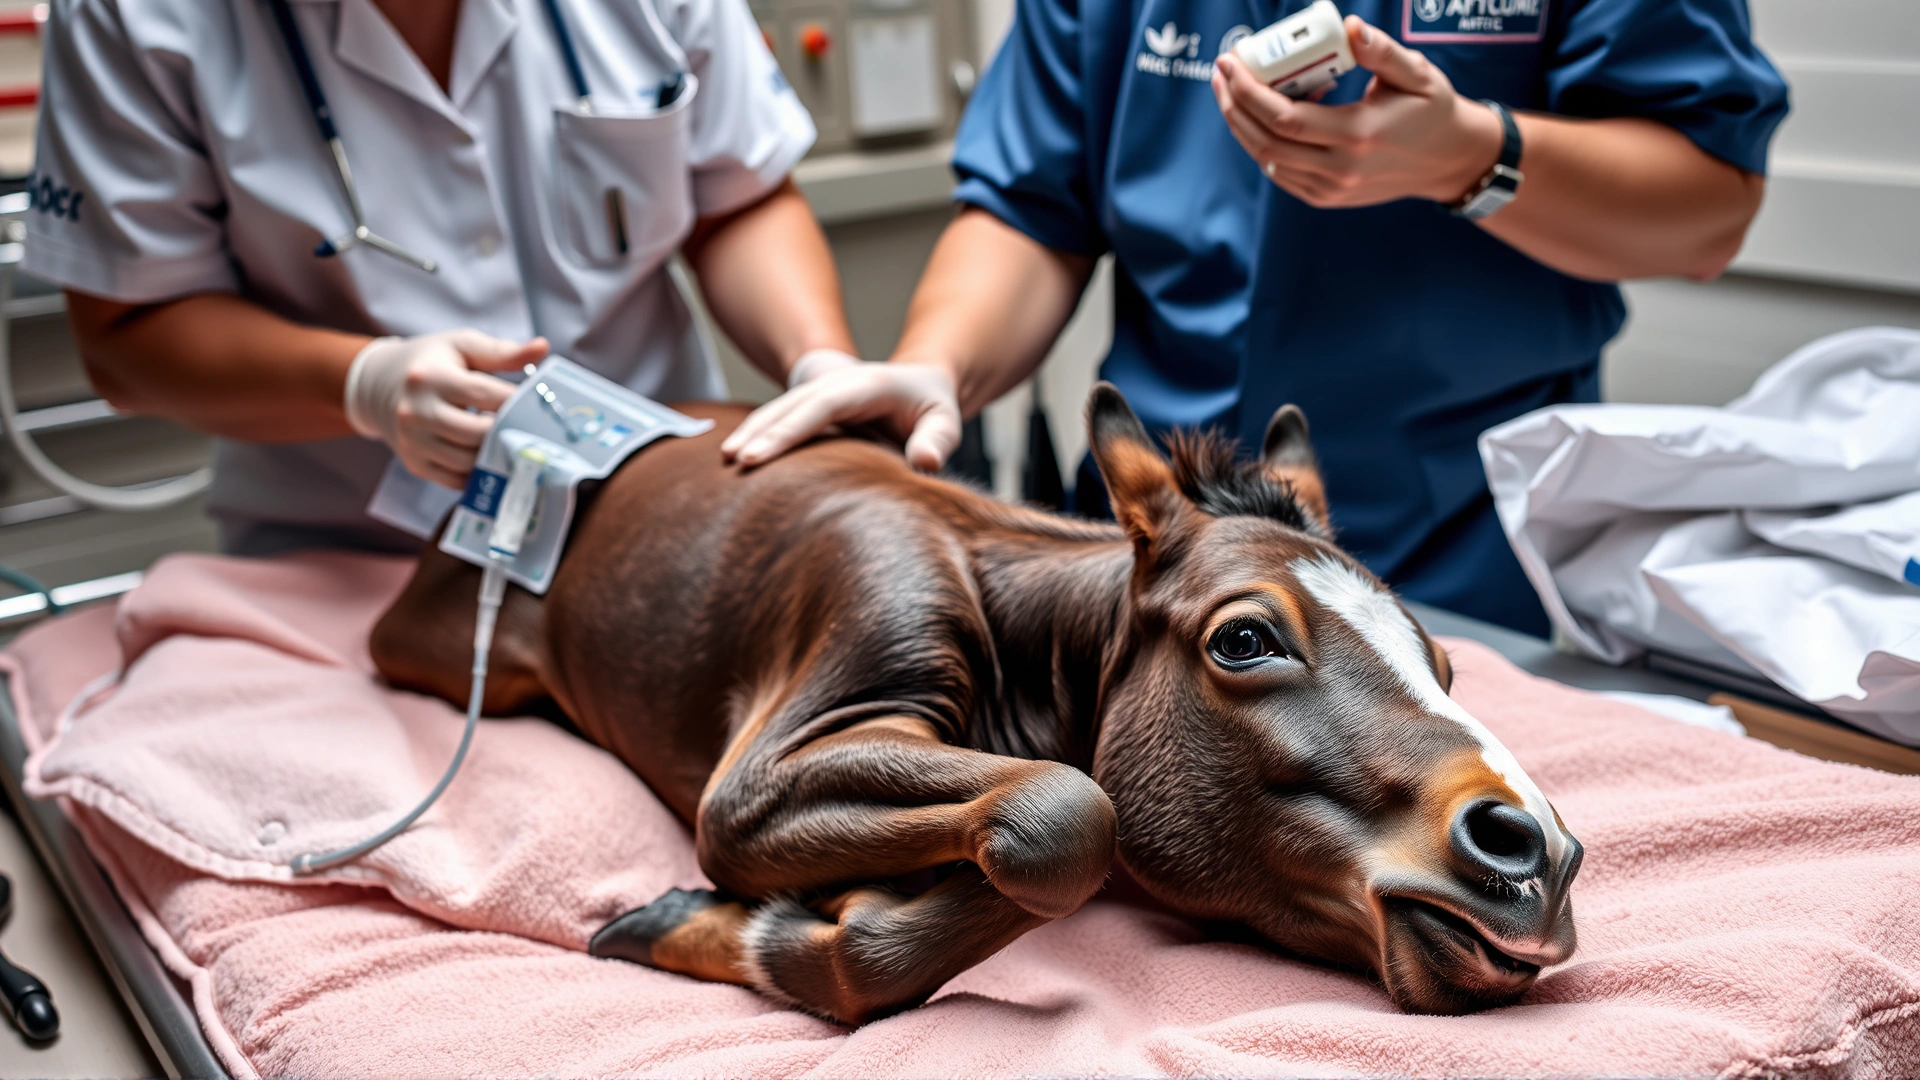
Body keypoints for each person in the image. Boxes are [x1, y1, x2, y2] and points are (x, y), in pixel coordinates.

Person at [721, 0, 1789, 635]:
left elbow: (1706, 211)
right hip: (1162, 579)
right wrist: (937, 368)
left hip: (1477, 566)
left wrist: (1474, 156)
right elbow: (1032, 206)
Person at [29, 0, 858, 554]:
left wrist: (816, 360)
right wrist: (362, 386)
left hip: (667, 505)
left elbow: (739, 201)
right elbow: (128, 335)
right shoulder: (135, 17)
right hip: (348, 552)